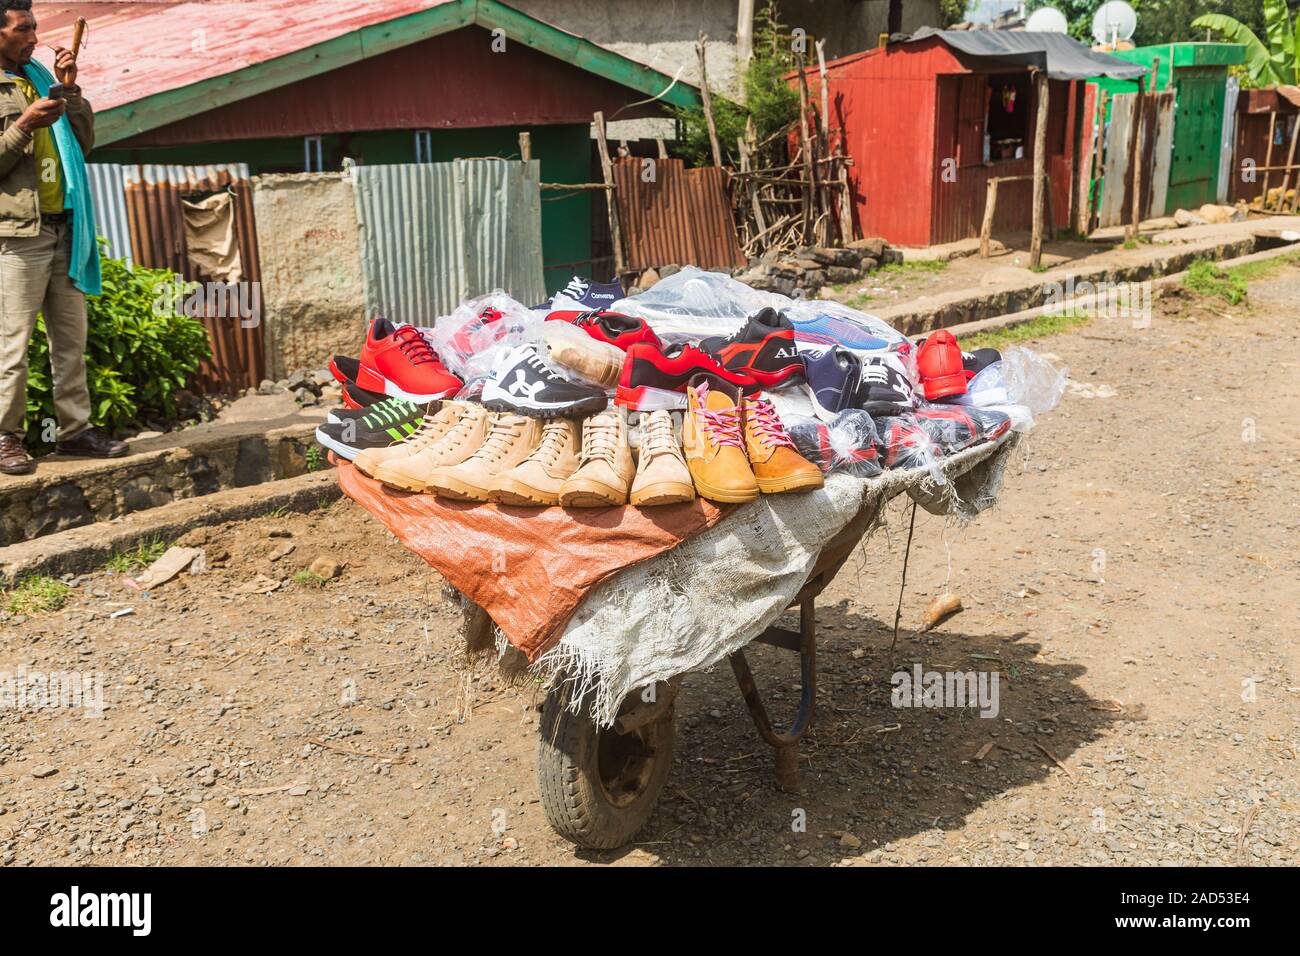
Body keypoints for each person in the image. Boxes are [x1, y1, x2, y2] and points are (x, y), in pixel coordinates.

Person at [0, 0, 125, 476]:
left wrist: (69, 91)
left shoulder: (36, 75)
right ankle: (6, 436)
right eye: (23, 28)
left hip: (65, 225)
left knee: (70, 338)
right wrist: (23, 125)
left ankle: (74, 432)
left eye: (34, 27)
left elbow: (83, 142)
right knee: (13, 343)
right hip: (18, 233)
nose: (34, 36)